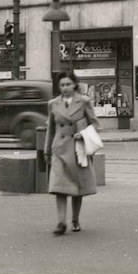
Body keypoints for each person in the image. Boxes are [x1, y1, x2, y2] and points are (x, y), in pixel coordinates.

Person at [44, 70, 98, 235]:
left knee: (76, 186)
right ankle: (61, 222)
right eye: (62, 85)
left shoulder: (83, 101)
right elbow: (50, 129)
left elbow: (95, 124)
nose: (65, 88)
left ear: (74, 84)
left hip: (77, 149)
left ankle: (75, 219)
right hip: (59, 148)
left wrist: (82, 134)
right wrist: (47, 151)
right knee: (59, 187)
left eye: (68, 84)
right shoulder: (53, 104)